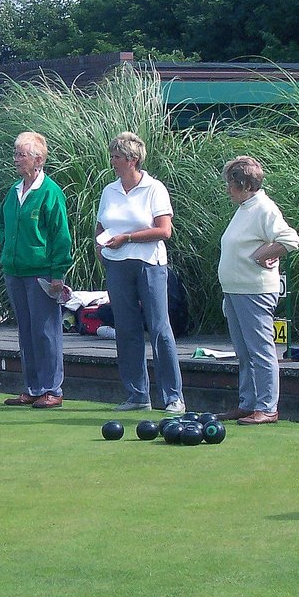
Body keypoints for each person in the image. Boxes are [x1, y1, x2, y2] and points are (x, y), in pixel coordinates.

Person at [95, 131, 186, 414]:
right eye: (112, 156)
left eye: (117, 157)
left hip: (149, 264)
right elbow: (100, 227)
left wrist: (128, 238)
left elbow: (164, 230)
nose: (113, 161)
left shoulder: (154, 188)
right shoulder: (109, 190)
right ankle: (137, 395)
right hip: (117, 265)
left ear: (133, 160)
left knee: (159, 329)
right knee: (126, 330)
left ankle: (173, 397)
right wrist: (101, 251)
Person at [216, 156, 299, 425]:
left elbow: (289, 239)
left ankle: (267, 407)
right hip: (236, 290)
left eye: (230, 183)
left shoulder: (264, 208)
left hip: (254, 291)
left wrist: (264, 255)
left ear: (243, 184)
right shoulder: (245, 207)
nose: (227, 189)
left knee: (261, 349)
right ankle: (248, 403)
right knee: (244, 351)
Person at [0, 131, 74, 409]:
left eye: (22, 154)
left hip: (41, 272)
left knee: (46, 331)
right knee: (27, 330)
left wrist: (58, 273)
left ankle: (52, 388)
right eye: (16, 154)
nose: (16, 159)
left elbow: (60, 236)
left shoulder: (51, 192)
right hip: (14, 271)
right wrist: (7, 246)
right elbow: (0, 222)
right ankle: (32, 387)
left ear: (38, 160)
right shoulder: (14, 190)